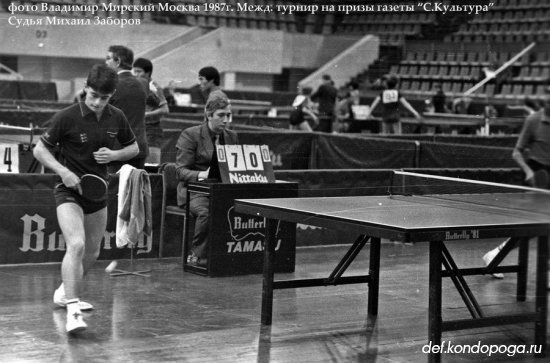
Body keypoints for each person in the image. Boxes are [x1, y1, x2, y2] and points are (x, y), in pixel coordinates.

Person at [33, 64, 139, 333]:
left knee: (92, 252)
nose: (96, 102)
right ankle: (72, 310)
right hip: (69, 190)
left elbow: (134, 148)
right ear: (85, 89)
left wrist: (114, 156)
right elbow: (39, 151)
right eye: (92, 95)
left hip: (97, 192)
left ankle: (62, 292)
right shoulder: (67, 116)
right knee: (77, 245)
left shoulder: (117, 117)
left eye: (103, 98)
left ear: (111, 95)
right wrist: (63, 171)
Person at [482, 86, 550, 279]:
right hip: (537, 175)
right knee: (537, 226)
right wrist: (529, 173)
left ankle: (495, 254)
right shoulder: (533, 120)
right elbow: (516, 152)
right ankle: (495, 254)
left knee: (540, 227)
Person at [175, 94, 238, 267]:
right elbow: (180, 171)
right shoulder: (190, 135)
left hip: (221, 190)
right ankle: (195, 254)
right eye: (221, 115)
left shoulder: (232, 136)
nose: (226, 120)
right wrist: (203, 174)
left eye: (228, 115)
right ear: (208, 115)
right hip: (194, 191)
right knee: (206, 212)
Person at [105, 45, 149, 170]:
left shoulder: (111, 84)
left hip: (116, 151)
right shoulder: (144, 83)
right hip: (140, 148)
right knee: (134, 187)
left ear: (118, 61)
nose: (106, 62)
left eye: (108, 58)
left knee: (114, 188)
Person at [132, 58, 169, 165]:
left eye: (139, 72)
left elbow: (165, 109)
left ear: (148, 73)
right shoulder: (136, 85)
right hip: (137, 129)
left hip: (152, 130)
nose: (135, 74)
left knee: (152, 166)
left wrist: (146, 114)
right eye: (134, 71)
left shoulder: (155, 88)